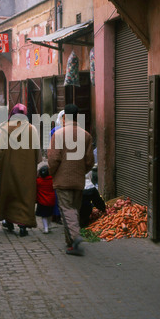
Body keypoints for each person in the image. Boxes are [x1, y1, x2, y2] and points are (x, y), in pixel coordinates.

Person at [48, 104, 95, 256]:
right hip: (79, 180)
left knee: (67, 210)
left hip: (62, 180)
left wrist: (52, 173)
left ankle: (75, 237)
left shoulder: (59, 134)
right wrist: (81, 172)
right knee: (74, 209)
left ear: (65, 117)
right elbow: (89, 161)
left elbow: (54, 159)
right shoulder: (86, 135)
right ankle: (71, 244)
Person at [0, 104, 42, 237]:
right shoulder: (32, 129)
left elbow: (1, 151)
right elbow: (38, 153)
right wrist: (35, 165)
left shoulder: (6, 128)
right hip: (27, 171)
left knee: (9, 195)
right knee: (25, 196)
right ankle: (23, 225)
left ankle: (9, 221)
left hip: (9, 170)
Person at [36, 165, 56, 234]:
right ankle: (49, 225)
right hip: (51, 201)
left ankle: (46, 228)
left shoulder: (38, 181)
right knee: (50, 215)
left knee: (43, 216)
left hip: (42, 201)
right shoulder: (52, 180)